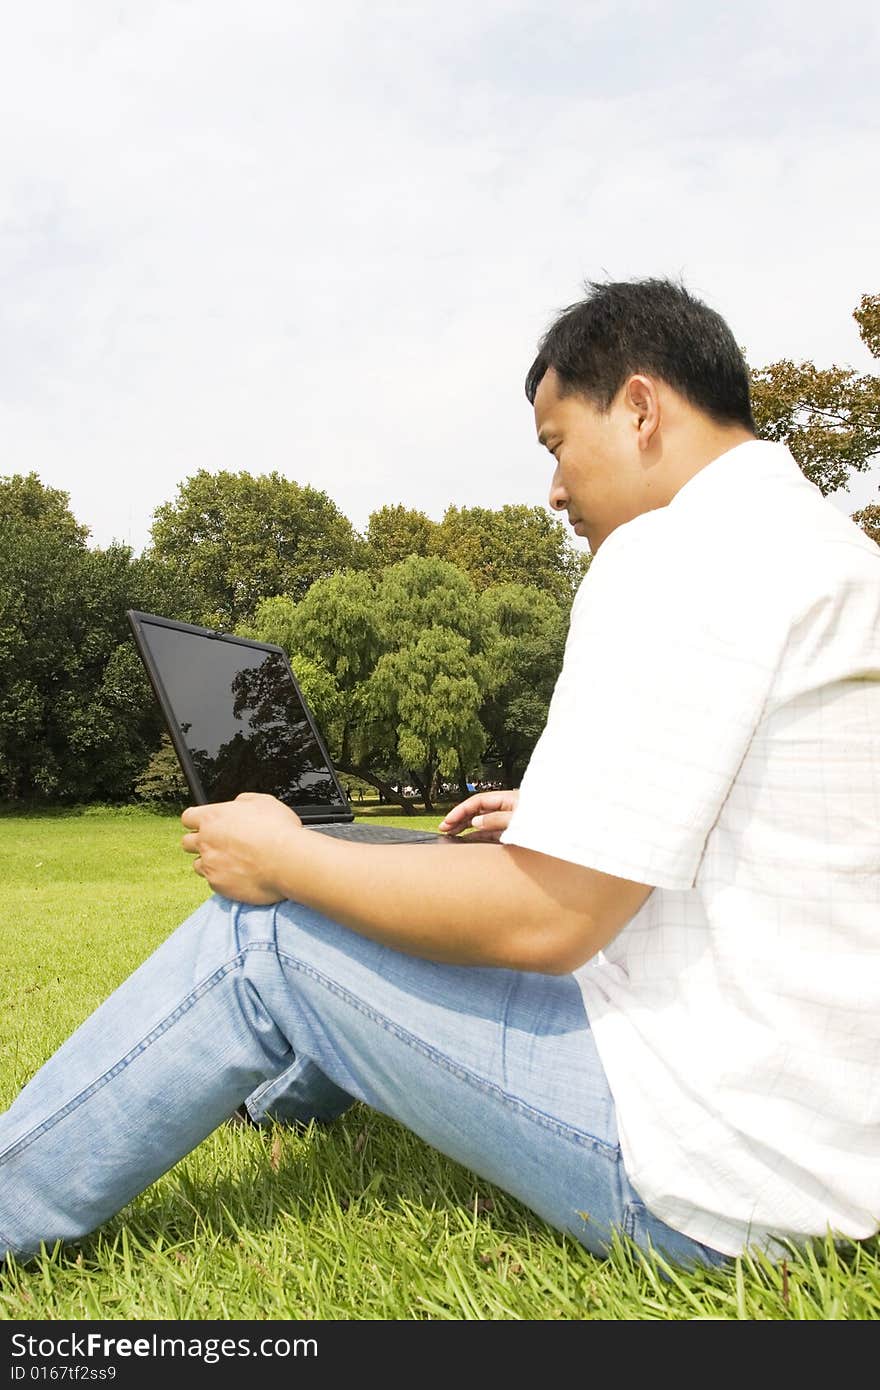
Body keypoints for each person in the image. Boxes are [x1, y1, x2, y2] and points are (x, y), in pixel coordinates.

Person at [2, 278, 878, 1272]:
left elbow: (547, 922)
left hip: (720, 1176)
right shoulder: (822, 547)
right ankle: (278, 1088)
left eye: (555, 444)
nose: (553, 490)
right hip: (826, 1148)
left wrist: (284, 857)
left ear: (640, 407)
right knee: (370, 886)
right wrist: (566, 816)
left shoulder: (671, 551)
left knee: (267, 934)